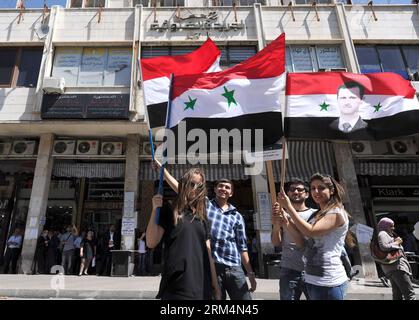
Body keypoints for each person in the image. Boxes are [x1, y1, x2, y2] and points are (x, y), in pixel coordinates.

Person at [153, 160, 257, 300]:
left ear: (231, 193)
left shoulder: (237, 216)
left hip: (234, 267)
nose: (223, 189)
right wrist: (162, 171)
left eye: (227, 187)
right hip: (213, 266)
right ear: (214, 189)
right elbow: (181, 188)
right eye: (220, 186)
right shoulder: (205, 205)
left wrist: (250, 273)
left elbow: (242, 246)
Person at [146, 168, 221, 300]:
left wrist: (216, 286)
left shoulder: (202, 217)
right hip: (176, 286)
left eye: (200, 186)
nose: (195, 188)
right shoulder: (170, 210)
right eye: (192, 184)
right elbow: (151, 242)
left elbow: (209, 255)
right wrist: (154, 211)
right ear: (184, 184)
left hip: (203, 286)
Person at [275, 173, 350, 300]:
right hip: (312, 279)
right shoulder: (317, 215)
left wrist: (288, 207)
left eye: (321, 188)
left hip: (330, 281)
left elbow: (311, 231)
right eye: (313, 188)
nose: (316, 191)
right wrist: (285, 222)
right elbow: (302, 243)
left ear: (331, 191)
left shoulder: (336, 212)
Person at [271, 178, 316, 300]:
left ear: (306, 194)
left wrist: (287, 221)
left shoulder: (315, 214)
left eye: (300, 190)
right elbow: (276, 242)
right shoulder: (282, 213)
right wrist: (276, 225)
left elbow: (306, 241)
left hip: (312, 270)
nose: (295, 192)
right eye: (292, 189)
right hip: (289, 269)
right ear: (287, 194)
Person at [376, 217, 415, 300]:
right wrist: (397, 242)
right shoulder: (382, 233)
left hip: (393, 267)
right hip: (397, 267)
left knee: (397, 294)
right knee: (410, 294)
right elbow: (384, 247)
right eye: (391, 226)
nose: (393, 228)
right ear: (385, 226)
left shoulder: (385, 234)